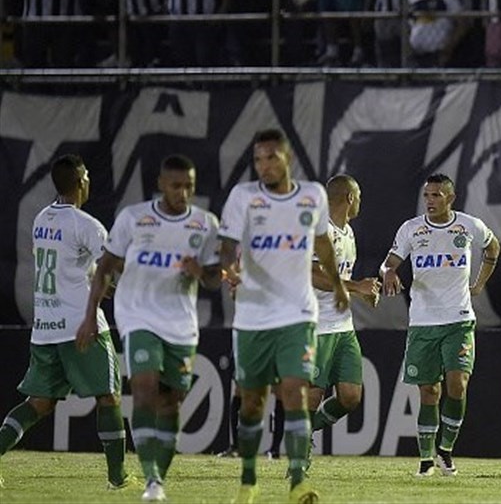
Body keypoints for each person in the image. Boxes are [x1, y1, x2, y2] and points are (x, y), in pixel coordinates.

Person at [77, 154, 221, 502]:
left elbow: (216, 278)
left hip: (180, 323)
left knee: (171, 403)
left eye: (189, 186)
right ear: (160, 185)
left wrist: (202, 273)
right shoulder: (133, 218)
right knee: (143, 389)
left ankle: (159, 478)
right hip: (137, 315)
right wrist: (90, 315)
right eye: (176, 186)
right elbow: (105, 267)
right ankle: (151, 479)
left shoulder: (205, 224)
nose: (182, 193)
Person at [219, 129, 349, 504]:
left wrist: (338, 286)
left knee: (296, 393)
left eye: (271, 157)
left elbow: (323, 245)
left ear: (287, 158)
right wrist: (231, 269)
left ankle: (297, 482)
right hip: (253, 316)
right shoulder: (243, 197)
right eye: (258, 159)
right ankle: (248, 480)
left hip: (298, 314)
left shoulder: (313, 196)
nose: (264, 166)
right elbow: (227, 247)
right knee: (251, 401)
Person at [0, 154, 131, 490]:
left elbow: (66, 269)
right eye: (86, 177)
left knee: (38, 403)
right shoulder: (86, 225)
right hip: (80, 325)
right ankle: (118, 478)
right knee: (109, 397)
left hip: (46, 328)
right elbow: (110, 268)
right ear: (82, 182)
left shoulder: (41, 218)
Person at [380, 173, 501, 477]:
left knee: (458, 383)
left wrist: (479, 284)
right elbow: (388, 262)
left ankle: (445, 450)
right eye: (427, 195)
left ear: (451, 198)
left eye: (436, 195)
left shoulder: (469, 226)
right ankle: (425, 459)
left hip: (458, 319)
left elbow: (493, 248)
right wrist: (389, 272)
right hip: (423, 322)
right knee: (429, 391)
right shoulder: (411, 229)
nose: (430, 201)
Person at [308, 175, 381, 447]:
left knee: (350, 396)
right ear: (350, 197)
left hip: (343, 326)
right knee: (313, 394)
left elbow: (340, 279)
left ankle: (303, 430)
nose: (360, 201)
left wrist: (361, 293)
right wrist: (356, 286)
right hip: (317, 325)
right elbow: (312, 274)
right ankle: (298, 453)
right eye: (358, 196)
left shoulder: (348, 232)